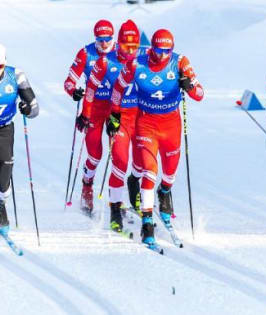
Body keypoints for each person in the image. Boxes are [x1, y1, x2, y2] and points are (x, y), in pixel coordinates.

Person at [110, 29, 203, 244]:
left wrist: (189, 86)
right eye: (158, 50)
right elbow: (118, 88)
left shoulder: (180, 62)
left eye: (166, 51)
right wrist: (115, 113)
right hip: (146, 123)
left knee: (170, 171)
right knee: (149, 170)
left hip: (171, 125)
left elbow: (200, 94)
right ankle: (147, 222)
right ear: (151, 47)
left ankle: (165, 191)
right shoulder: (137, 64)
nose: (162, 55)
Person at [81, 19, 144, 231]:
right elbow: (89, 89)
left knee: (142, 161)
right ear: (119, 44)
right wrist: (84, 113)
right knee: (117, 159)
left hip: (142, 117)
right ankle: (114, 207)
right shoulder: (105, 62)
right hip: (115, 115)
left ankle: (134, 185)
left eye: (135, 47)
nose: (131, 51)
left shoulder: (144, 59)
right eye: (126, 47)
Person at [63, 19, 116, 212]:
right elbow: (69, 81)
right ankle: (87, 184)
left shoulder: (120, 53)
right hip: (92, 107)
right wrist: (74, 91)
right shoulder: (85, 53)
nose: (104, 43)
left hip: (114, 108)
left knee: (117, 153)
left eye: (108, 38)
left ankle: (117, 200)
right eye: (100, 39)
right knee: (95, 154)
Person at [0, 43, 39, 235]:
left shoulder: (16, 76)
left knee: (5, 171)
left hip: (3, 130)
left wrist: (27, 109)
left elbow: (34, 108)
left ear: (4, 63)